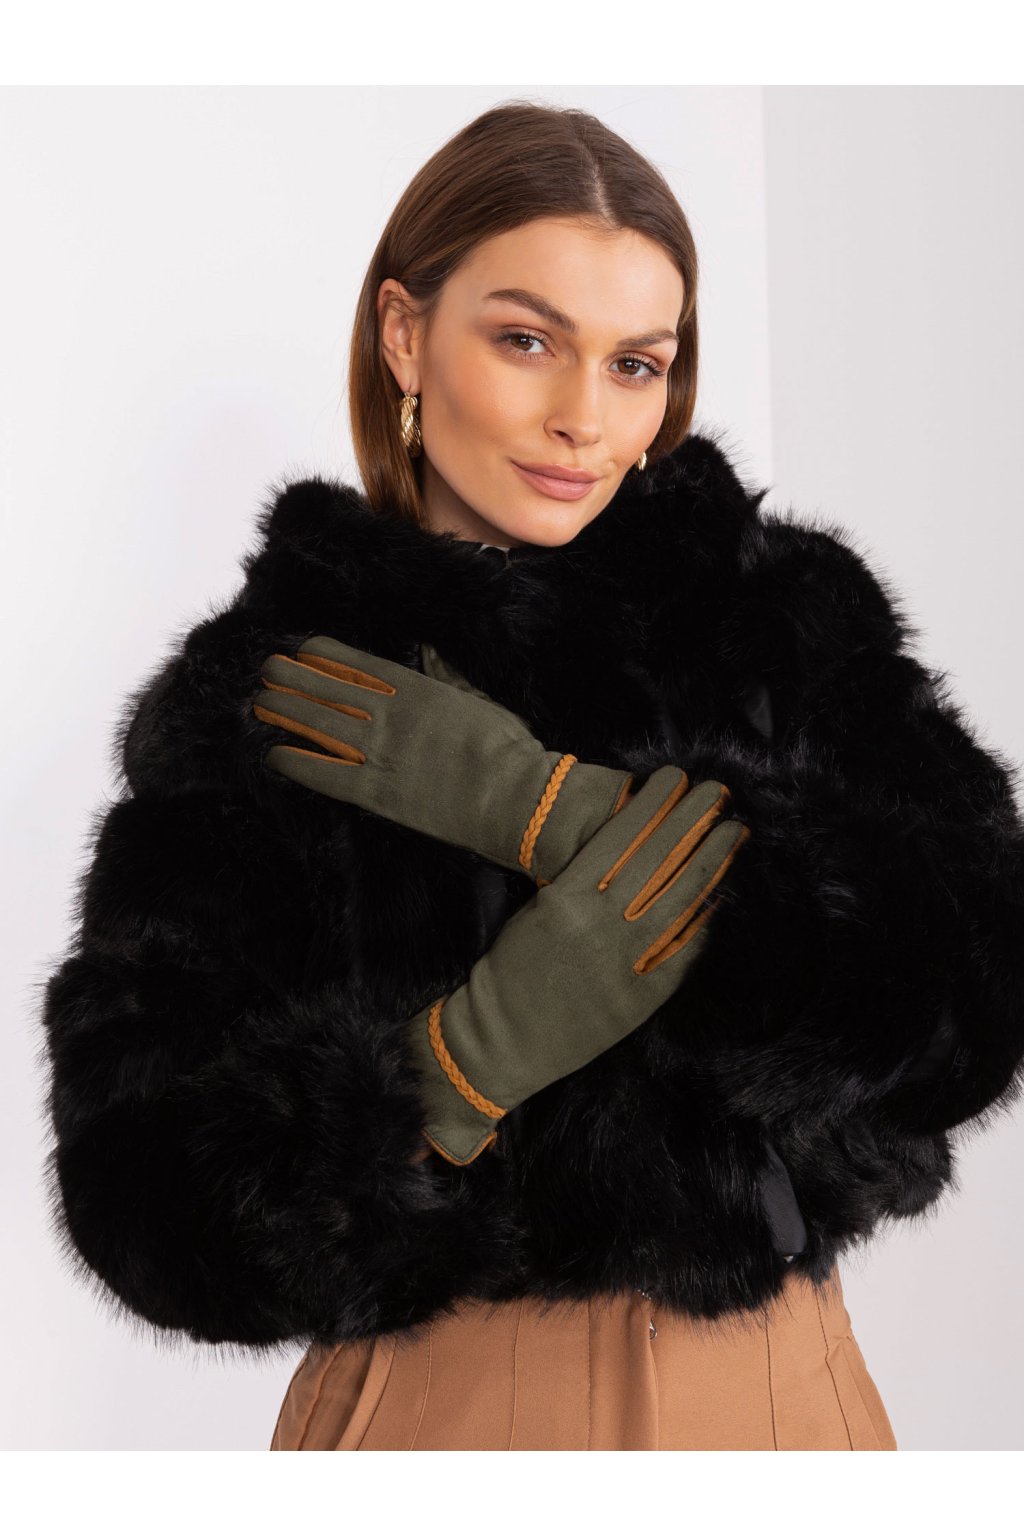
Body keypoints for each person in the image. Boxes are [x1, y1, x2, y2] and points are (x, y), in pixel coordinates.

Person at [40, 102, 1024, 1452]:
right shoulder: (278, 691)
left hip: (779, 1393)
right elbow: (142, 1199)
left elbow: (979, 986)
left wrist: (547, 814)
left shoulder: (771, 622)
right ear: (405, 335)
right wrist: (461, 1066)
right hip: (443, 1403)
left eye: (635, 364)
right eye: (526, 340)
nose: (582, 419)